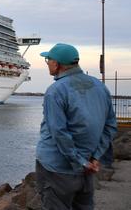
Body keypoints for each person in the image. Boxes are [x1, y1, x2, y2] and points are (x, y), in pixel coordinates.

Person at [35, 43, 117, 210]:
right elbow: (110, 126)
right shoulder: (100, 87)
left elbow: (59, 132)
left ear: (57, 64)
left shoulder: (55, 91)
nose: (47, 63)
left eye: (48, 60)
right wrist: (94, 158)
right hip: (86, 168)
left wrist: (80, 162)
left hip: (57, 168)